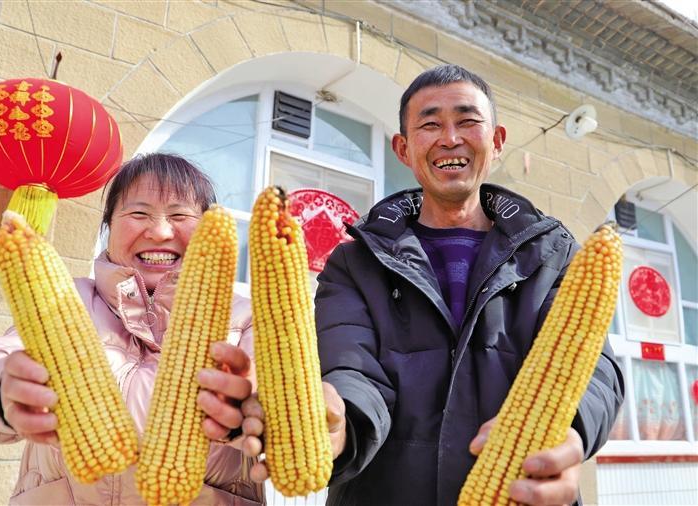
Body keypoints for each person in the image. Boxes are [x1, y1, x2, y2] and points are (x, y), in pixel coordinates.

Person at [239, 64, 624, 505]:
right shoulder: (355, 262)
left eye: (467, 121)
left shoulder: (552, 255)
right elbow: (351, 368)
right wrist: (340, 424)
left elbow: (593, 369)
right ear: (402, 149)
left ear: (497, 141)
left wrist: (567, 431)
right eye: (429, 124)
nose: (450, 138)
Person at [0, 153, 264, 505]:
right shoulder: (68, 300)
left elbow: (272, 397)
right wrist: (0, 388)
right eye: (138, 213)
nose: (159, 231)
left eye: (179, 215)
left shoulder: (245, 316)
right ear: (108, 227)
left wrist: (251, 412)